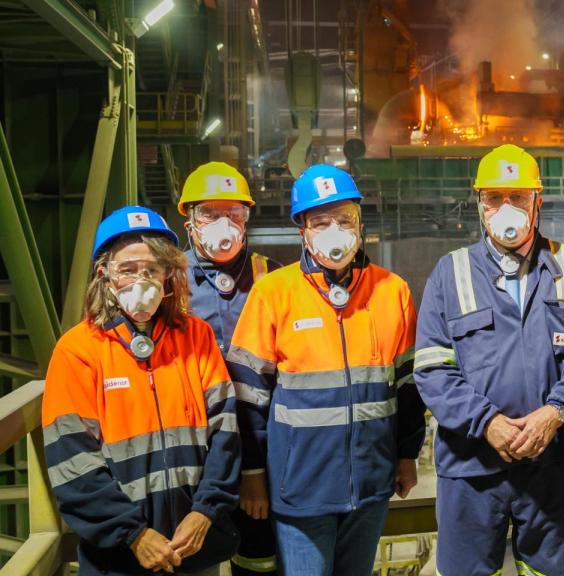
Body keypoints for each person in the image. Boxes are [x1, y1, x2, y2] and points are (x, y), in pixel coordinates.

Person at [414, 144, 564, 576]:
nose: (507, 209)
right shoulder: (451, 274)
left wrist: (554, 413)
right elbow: (432, 370)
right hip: (472, 466)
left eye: (518, 197)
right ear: (480, 205)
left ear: (537, 202)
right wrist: (487, 423)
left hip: (552, 461)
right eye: (495, 199)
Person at [226, 164, 425, 575]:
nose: (335, 231)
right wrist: (253, 474)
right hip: (300, 489)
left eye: (344, 220)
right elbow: (247, 398)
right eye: (321, 222)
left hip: (371, 486)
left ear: (359, 222)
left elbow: (407, 386)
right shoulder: (272, 294)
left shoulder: (393, 291)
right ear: (303, 230)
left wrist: (407, 455)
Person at [42, 206, 240, 575]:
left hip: (194, 544)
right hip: (120, 557)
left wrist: (205, 511)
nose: (141, 281)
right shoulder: (78, 350)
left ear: (168, 275)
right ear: (104, 275)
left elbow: (225, 432)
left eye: (152, 269)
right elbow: (72, 459)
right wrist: (133, 534)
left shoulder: (195, 337)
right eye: (127, 270)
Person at [178, 161, 280, 575]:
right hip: (196, 444)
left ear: (247, 218)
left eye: (234, 214)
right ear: (189, 220)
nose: (224, 224)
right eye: (211, 214)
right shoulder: (171, 281)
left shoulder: (268, 275)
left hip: (259, 440)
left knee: (258, 556)